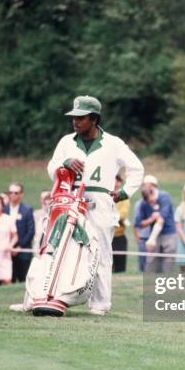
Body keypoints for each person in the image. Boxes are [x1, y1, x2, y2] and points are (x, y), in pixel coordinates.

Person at [46, 95, 143, 315]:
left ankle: (100, 304)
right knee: (59, 247)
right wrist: (64, 162)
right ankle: (53, 296)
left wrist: (125, 192)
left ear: (94, 119)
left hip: (99, 202)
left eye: (81, 118)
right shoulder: (66, 142)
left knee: (101, 252)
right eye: (74, 117)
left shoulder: (113, 143)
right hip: (69, 199)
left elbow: (136, 168)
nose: (75, 122)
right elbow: (51, 167)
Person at [135, 175, 177, 274]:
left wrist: (151, 238)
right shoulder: (143, 203)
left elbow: (161, 219)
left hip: (168, 234)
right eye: (149, 202)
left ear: (154, 190)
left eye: (152, 201)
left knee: (168, 261)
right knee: (151, 261)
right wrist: (151, 219)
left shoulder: (164, 197)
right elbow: (139, 224)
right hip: (154, 235)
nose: (151, 204)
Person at [3, 182, 35, 282]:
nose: (12, 195)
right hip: (6, 252)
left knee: (23, 280)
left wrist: (19, 247)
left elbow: (30, 231)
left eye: (16, 193)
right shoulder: (4, 209)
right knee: (7, 280)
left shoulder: (27, 210)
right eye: (10, 192)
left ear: (21, 194)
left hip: (23, 251)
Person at [0, 194, 18, 285]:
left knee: (7, 280)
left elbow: (15, 236)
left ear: (3, 205)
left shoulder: (8, 219)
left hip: (4, 255)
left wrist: (11, 245)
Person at [112, 175, 130, 273]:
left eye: (119, 181)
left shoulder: (123, 196)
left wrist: (110, 217)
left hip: (119, 236)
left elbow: (123, 214)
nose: (118, 183)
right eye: (116, 180)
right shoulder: (104, 194)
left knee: (120, 269)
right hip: (105, 235)